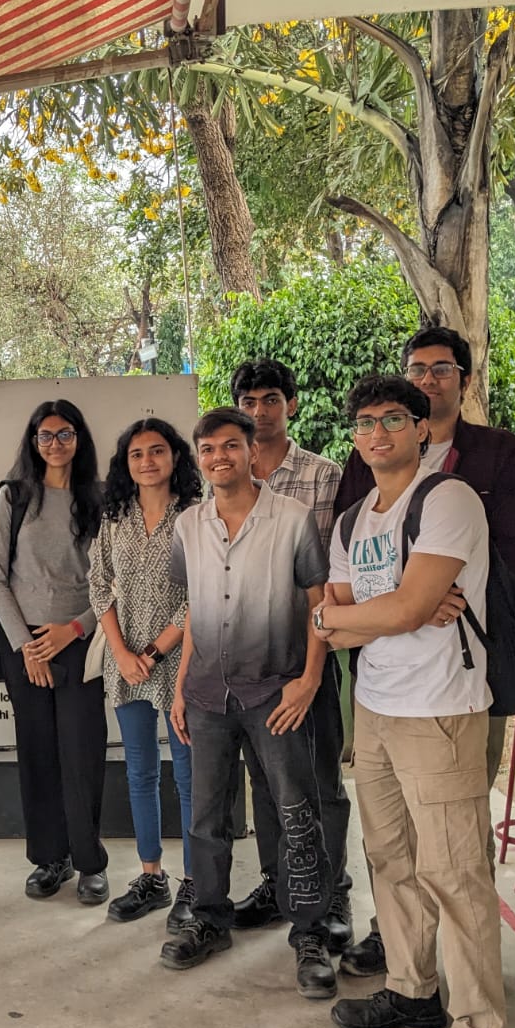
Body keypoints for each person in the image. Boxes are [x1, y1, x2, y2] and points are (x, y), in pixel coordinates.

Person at [318, 374, 506, 1028]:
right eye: (365, 422)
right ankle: (411, 987)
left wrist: (381, 611)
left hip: (439, 709)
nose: (378, 433)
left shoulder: (447, 499)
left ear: (421, 428)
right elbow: (340, 621)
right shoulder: (352, 520)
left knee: (454, 872)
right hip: (376, 707)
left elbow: (395, 610)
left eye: (394, 418)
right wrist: (378, 611)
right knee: (390, 859)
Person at [334, 324, 515, 977]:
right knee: (391, 853)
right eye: (417, 368)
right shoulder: (360, 489)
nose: (428, 377)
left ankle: (474, 1008)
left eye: (441, 368)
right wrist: (401, 599)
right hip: (380, 694)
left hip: (457, 678)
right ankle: (408, 974)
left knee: (455, 854)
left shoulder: (489, 460)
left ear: (460, 381)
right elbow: (347, 595)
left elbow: (511, 550)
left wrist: (441, 591)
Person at [162, 408, 336, 998]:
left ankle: (309, 932)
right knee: (206, 818)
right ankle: (210, 920)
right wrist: (181, 687)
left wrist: (309, 680)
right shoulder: (188, 526)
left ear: (251, 452)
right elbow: (194, 609)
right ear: (200, 458)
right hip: (207, 695)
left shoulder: (291, 519)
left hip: (275, 691)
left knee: (294, 812)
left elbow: (318, 602)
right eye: (208, 449)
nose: (219, 458)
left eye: (230, 446)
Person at [227, 359, 354, 953]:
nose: (260, 412)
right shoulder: (224, 474)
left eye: (271, 399)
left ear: (291, 405)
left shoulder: (324, 476)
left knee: (321, 780)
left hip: (308, 652)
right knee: (264, 779)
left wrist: (312, 665)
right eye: (249, 402)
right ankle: (279, 885)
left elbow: (330, 577)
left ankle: (332, 893)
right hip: (247, 661)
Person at [0, 398, 108, 904]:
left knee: (82, 753)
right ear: (33, 442)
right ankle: (49, 859)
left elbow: (112, 581)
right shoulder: (14, 495)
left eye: (65, 434)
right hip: (25, 644)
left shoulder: (101, 498)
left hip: (81, 641)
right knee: (37, 753)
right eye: (45, 435)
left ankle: (90, 862)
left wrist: (74, 629)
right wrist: (28, 648)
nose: (55, 444)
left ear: (79, 439)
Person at [89, 419, 200, 932]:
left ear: (175, 457)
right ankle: (151, 876)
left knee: (188, 775)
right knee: (140, 771)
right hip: (125, 662)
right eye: (136, 454)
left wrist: (153, 653)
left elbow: (199, 594)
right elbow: (99, 584)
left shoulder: (195, 515)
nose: (147, 461)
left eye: (157, 451)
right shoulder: (115, 517)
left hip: (179, 660)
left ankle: (196, 882)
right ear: (125, 464)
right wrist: (121, 651)